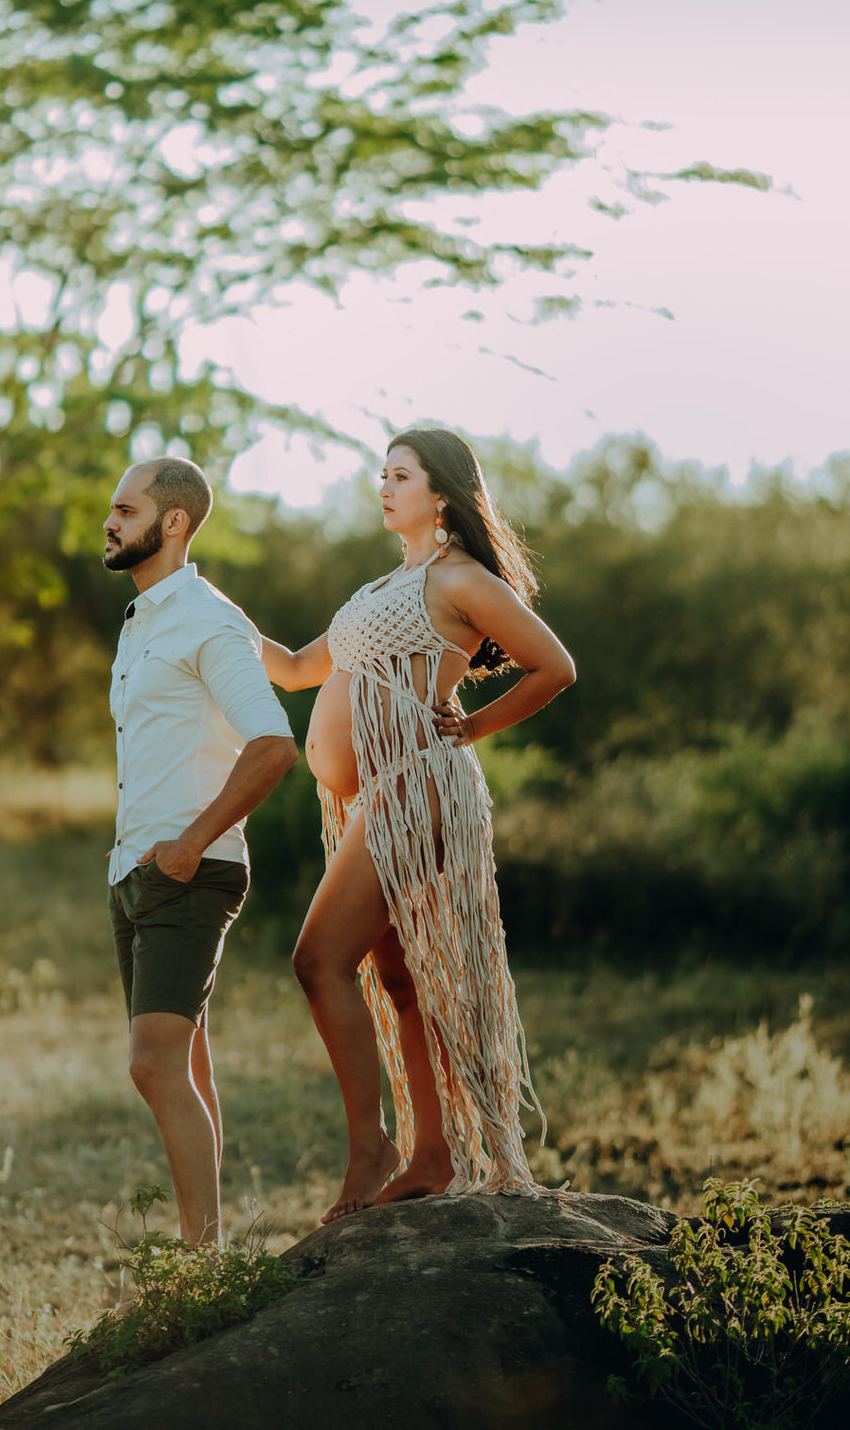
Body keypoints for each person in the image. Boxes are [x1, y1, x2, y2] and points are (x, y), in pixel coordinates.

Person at [260, 426, 575, 1223]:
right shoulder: (379, 589)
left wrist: (473, 728)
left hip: (416, 790)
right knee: (398, 979)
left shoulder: (459, 578)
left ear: (442, 495)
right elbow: (299, 670)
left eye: (400, 475)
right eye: (382, 473)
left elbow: (555, 666)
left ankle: (374, 1152)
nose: (384, 485)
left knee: (318, 959)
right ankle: (431, 1156)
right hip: (376, 800)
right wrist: (208, 615)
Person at [102, 456, 297, 1246]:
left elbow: (273, 745)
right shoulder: (145, 617)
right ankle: (207, 1262)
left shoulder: (208, 620)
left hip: (189, 872)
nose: (109, 522)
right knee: (188, 1065)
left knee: (152, 1065)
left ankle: (199, 1268)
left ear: (172, 522)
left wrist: (189, 844)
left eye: (125, 508)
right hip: (136, 874)